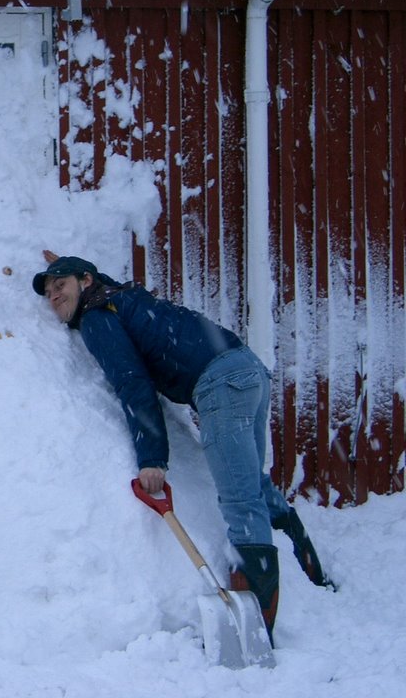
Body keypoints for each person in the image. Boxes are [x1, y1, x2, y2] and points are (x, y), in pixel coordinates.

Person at [32, 253, 333, 643]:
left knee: (240, 500)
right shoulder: (120, 297)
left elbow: (133, 384)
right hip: (245, 369)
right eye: (49, 291)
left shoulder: (97, 317)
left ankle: (254, 630)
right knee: (251, 483)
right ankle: (311, 571)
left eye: (62, 285)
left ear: (85, 281)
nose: (54, 295)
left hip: (220, 384)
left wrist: (152, 458)